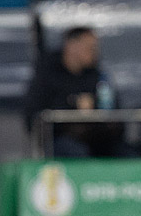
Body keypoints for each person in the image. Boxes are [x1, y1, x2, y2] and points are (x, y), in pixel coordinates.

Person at [23, 26, 126, 158]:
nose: (94, 52)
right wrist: (72, 104)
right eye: (89, 47)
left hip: (96, 137)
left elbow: (113, 111)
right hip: (60, 139)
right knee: (75, 152)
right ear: (71, 46)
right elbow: (34, 116)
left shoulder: (98, 77)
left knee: (125, 153)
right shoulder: (47, 75)